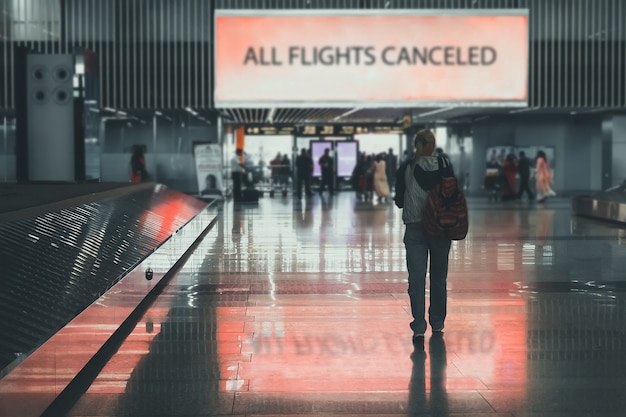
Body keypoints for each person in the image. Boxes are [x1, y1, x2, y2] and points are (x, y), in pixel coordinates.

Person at [395, 129, 452, 343]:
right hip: (440, 228)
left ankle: (419, 325)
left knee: (417, 279)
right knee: (439, 278)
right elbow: (452, 193)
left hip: (415, 227)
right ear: (433, 145)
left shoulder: (406, 168)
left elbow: (400, 201)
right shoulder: (444, 164)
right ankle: (437, 322)